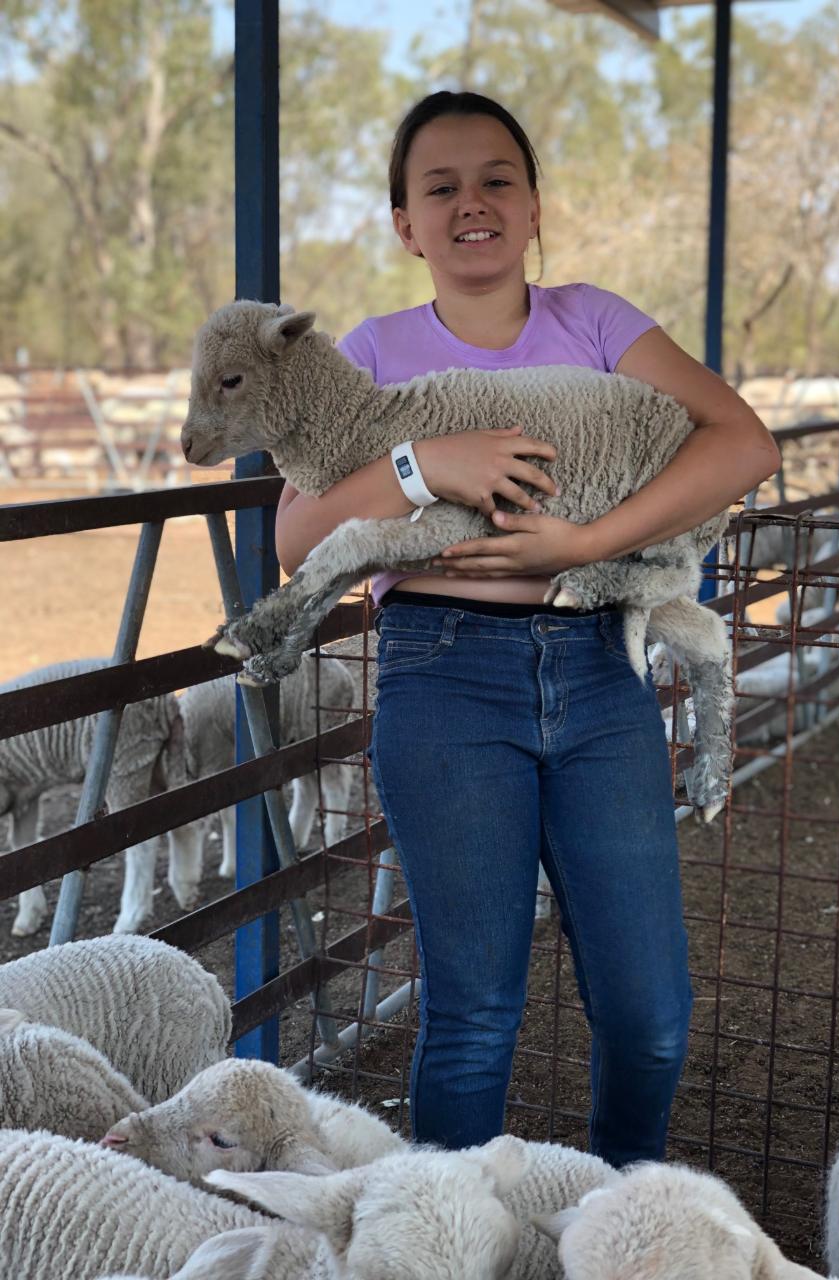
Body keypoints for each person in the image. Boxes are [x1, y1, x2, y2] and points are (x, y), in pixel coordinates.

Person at [276, 90, 780, 1166]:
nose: (472, 202)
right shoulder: (371, 353)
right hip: (444, 674)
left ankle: (621, 1207)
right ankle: (452, 1234)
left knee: (650, 1014)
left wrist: (588, 544)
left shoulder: (595, 321)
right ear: (405, 224)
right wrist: (421, 464)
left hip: (601, 667)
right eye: (440, 185)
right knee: (472, 1012)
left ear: (535, 205)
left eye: (498, 177)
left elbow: (740, 441)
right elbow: (296, 537)